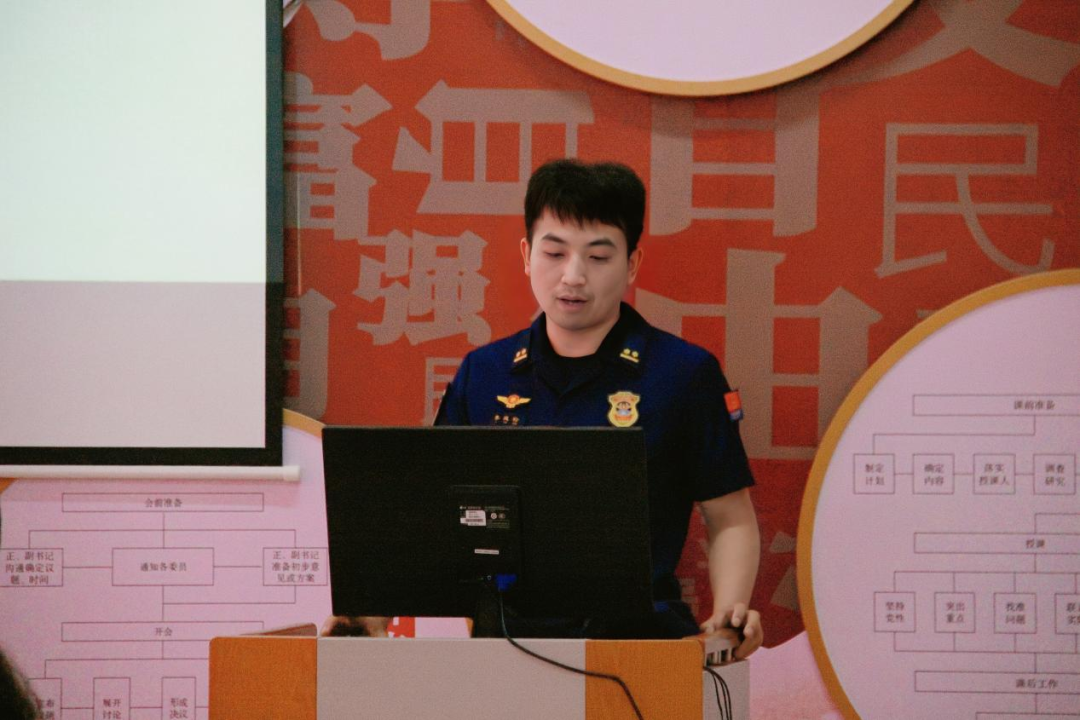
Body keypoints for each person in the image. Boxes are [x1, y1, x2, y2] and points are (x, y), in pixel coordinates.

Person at [432, 159, 763, 657]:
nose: (573, 276)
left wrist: (728, 614)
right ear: (526, 256)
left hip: (641, 645)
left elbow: (729, 517)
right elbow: (435, 513)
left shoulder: (683, 373)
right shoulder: (485, 373)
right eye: (554, 253)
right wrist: (375, 609)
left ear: (631, 264)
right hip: (505, 648)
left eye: (598, 256)